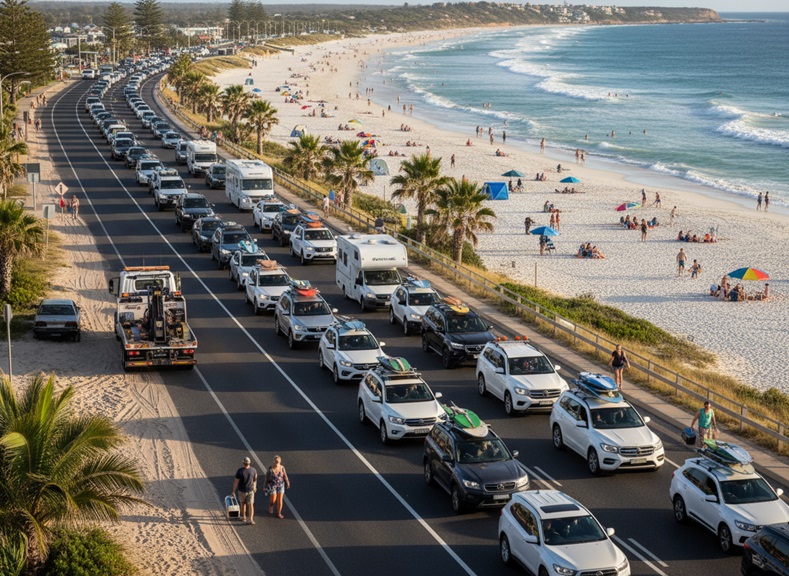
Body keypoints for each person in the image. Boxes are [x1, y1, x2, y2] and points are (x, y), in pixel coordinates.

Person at [232, 457, 258, 525]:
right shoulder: (253, 470)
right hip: (250, 490)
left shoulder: (240, 471)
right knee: (251, 504)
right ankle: (251, 519)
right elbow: (255, 480)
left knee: (242, 503)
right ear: (249, 463)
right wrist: (255, 487)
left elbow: (236, 481)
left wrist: (233, 491)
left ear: (243, 463)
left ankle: (244, 517)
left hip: (242, 491)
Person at [266, 455, 291, 519]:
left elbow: (285, 475)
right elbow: (266, 477)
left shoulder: (282, 468)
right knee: (273, 500)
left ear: (280, 461)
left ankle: (279, 513)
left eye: (278, 462)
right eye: (276, 462)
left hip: (281, 485)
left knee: (280, 500)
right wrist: (264, 486)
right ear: (274, 461)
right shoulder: (270, 469)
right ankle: (271, 505)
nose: (277, 463)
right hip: (272, 485)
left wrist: (287, 482)